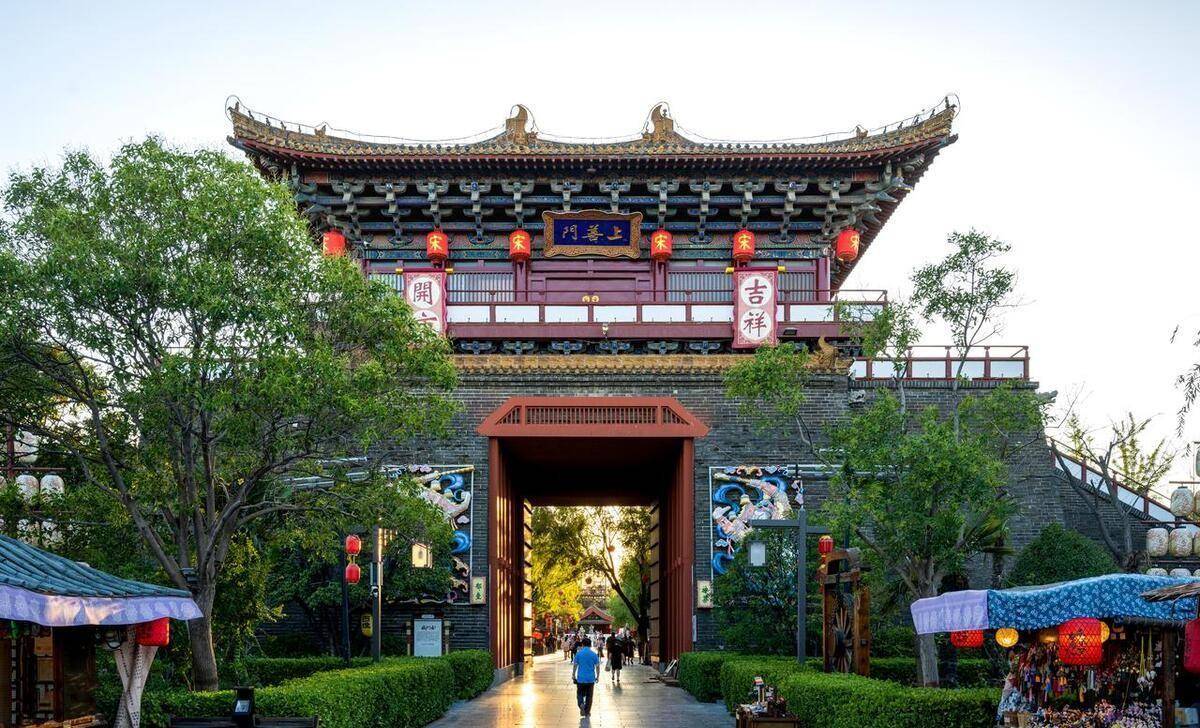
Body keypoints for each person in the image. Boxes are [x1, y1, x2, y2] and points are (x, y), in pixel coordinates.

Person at [572, 637, 600, 717]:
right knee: (589, 696)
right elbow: (597, 666)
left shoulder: (579, 654)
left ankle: (581, 704)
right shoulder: (594, 654)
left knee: (579, 694)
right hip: (590, 679)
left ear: (582, 644)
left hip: (581, 678)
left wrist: (573, 674)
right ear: (590, 645)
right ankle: (587, 711)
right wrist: (598, 676)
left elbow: (575, 665)